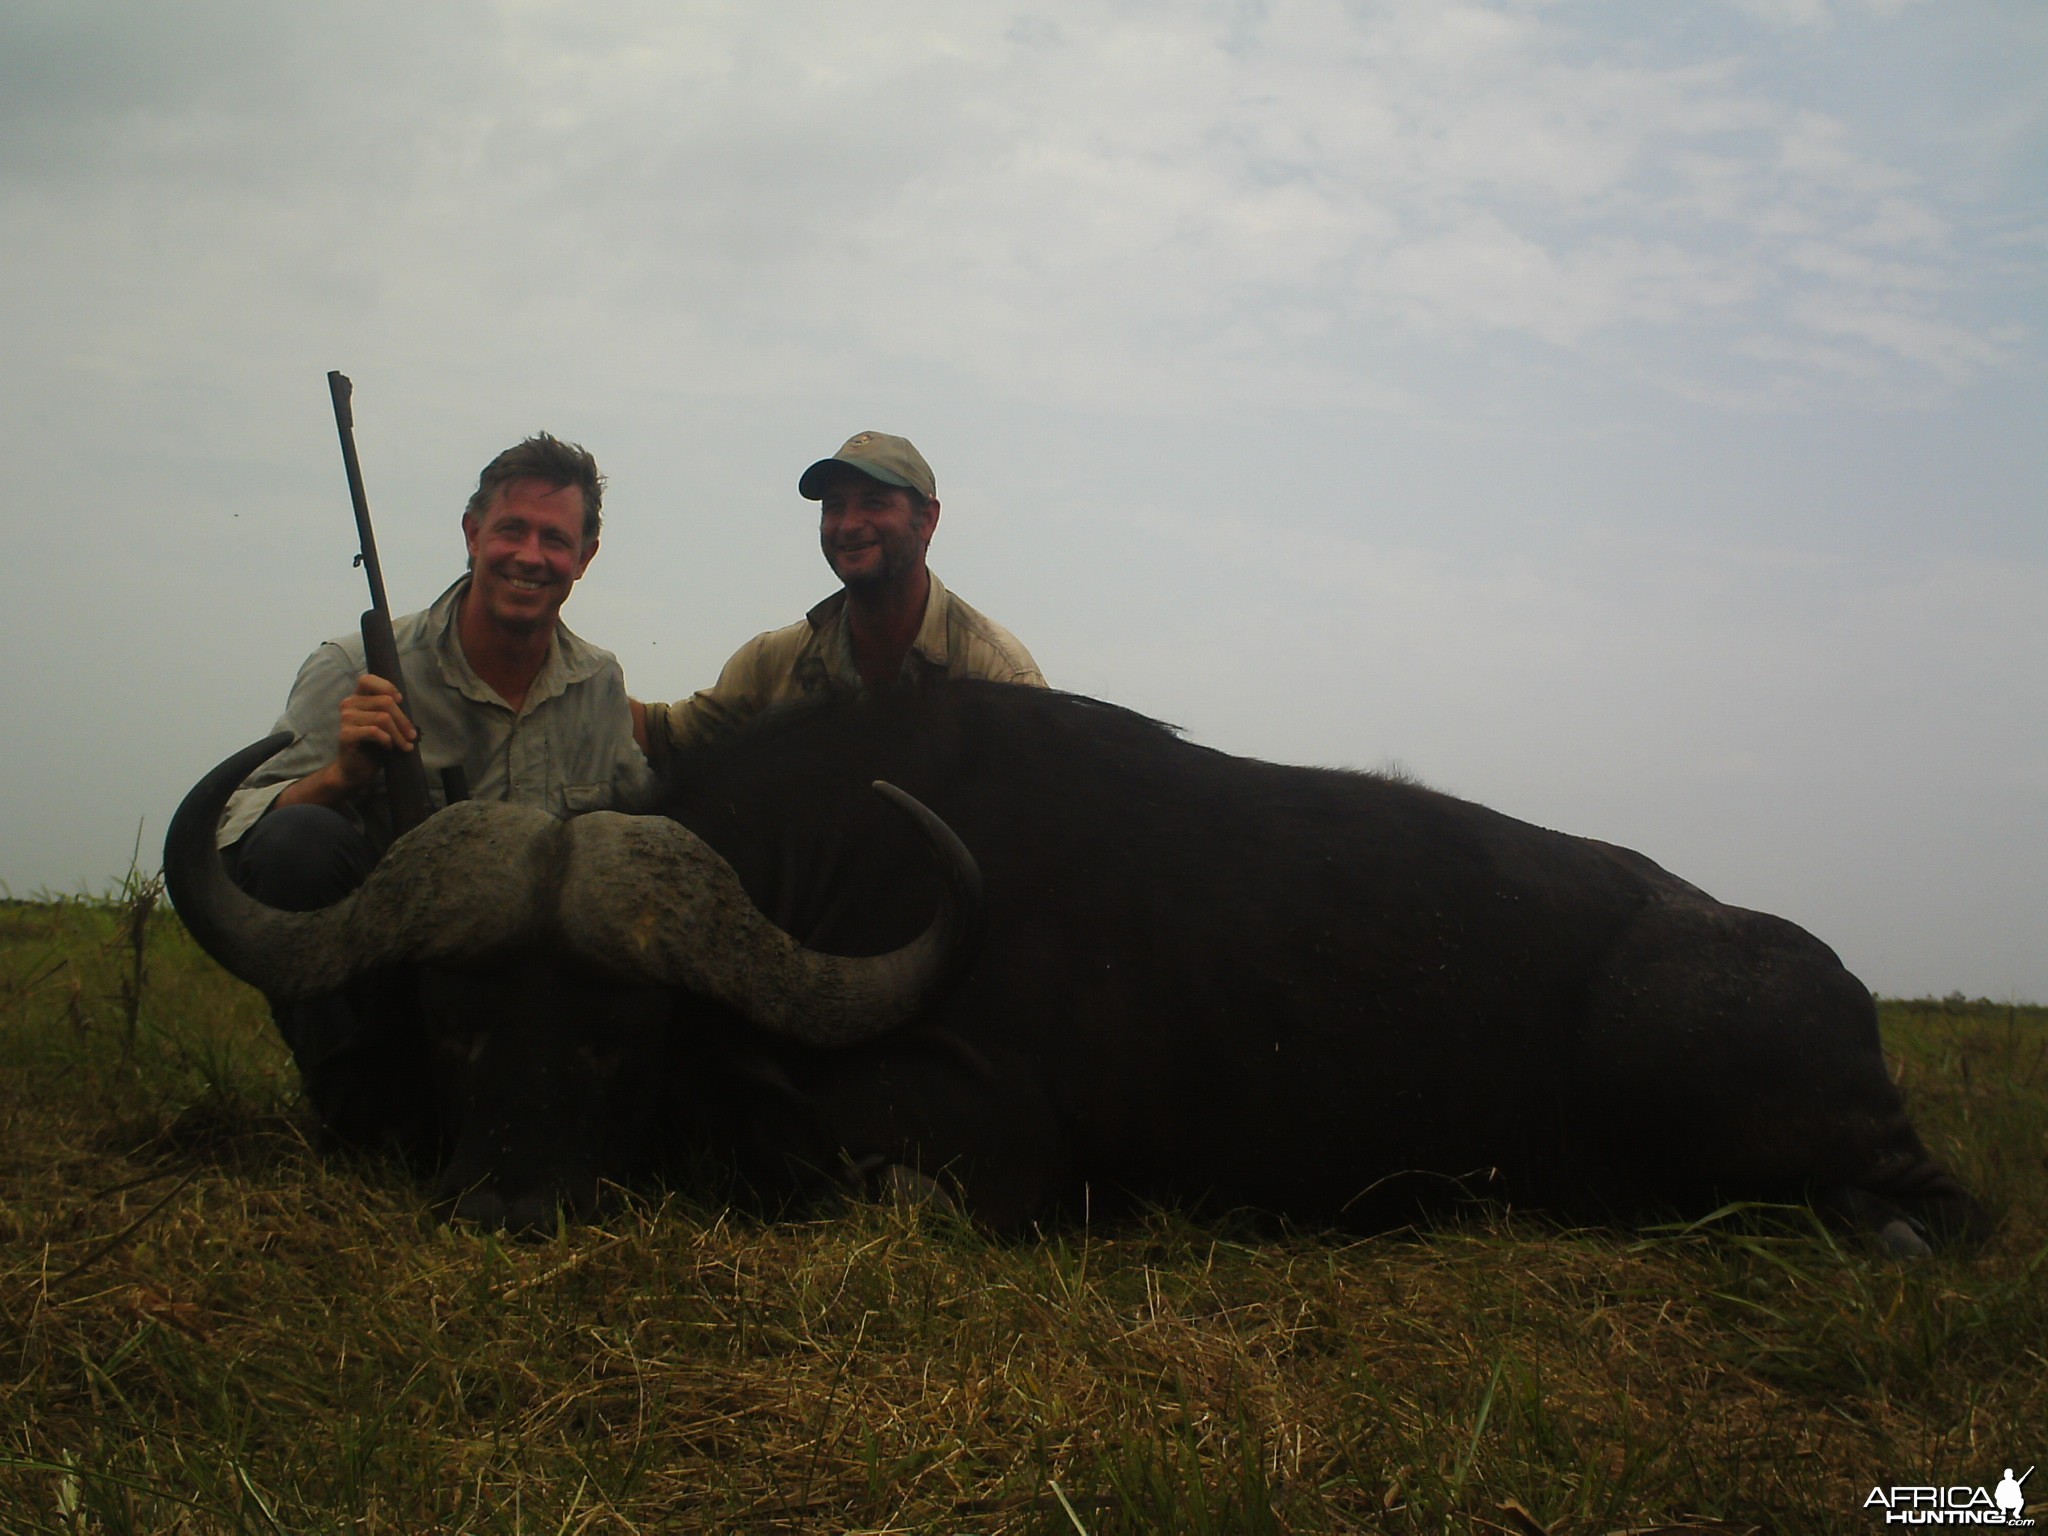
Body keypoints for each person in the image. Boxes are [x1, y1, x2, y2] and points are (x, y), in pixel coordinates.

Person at [219, 432, 651, 1154]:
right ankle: (360, 1120)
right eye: (511, 529)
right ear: (473, 532)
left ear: (585, 557)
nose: (530, 556)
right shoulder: (353, 666)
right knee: (298, 841)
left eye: (555, 539)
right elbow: (239, 832)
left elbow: (638, 824)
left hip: (541, 1007)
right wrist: (340, 779)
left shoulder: (600, 682)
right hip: (397, 986)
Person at [633, 431, 1044, 769]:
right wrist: (581, 677)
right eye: (834, 507)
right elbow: (665, 736)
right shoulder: (771, 664)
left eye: (874, 502)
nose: (848, 525)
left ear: (928, 519)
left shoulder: (999, 674)